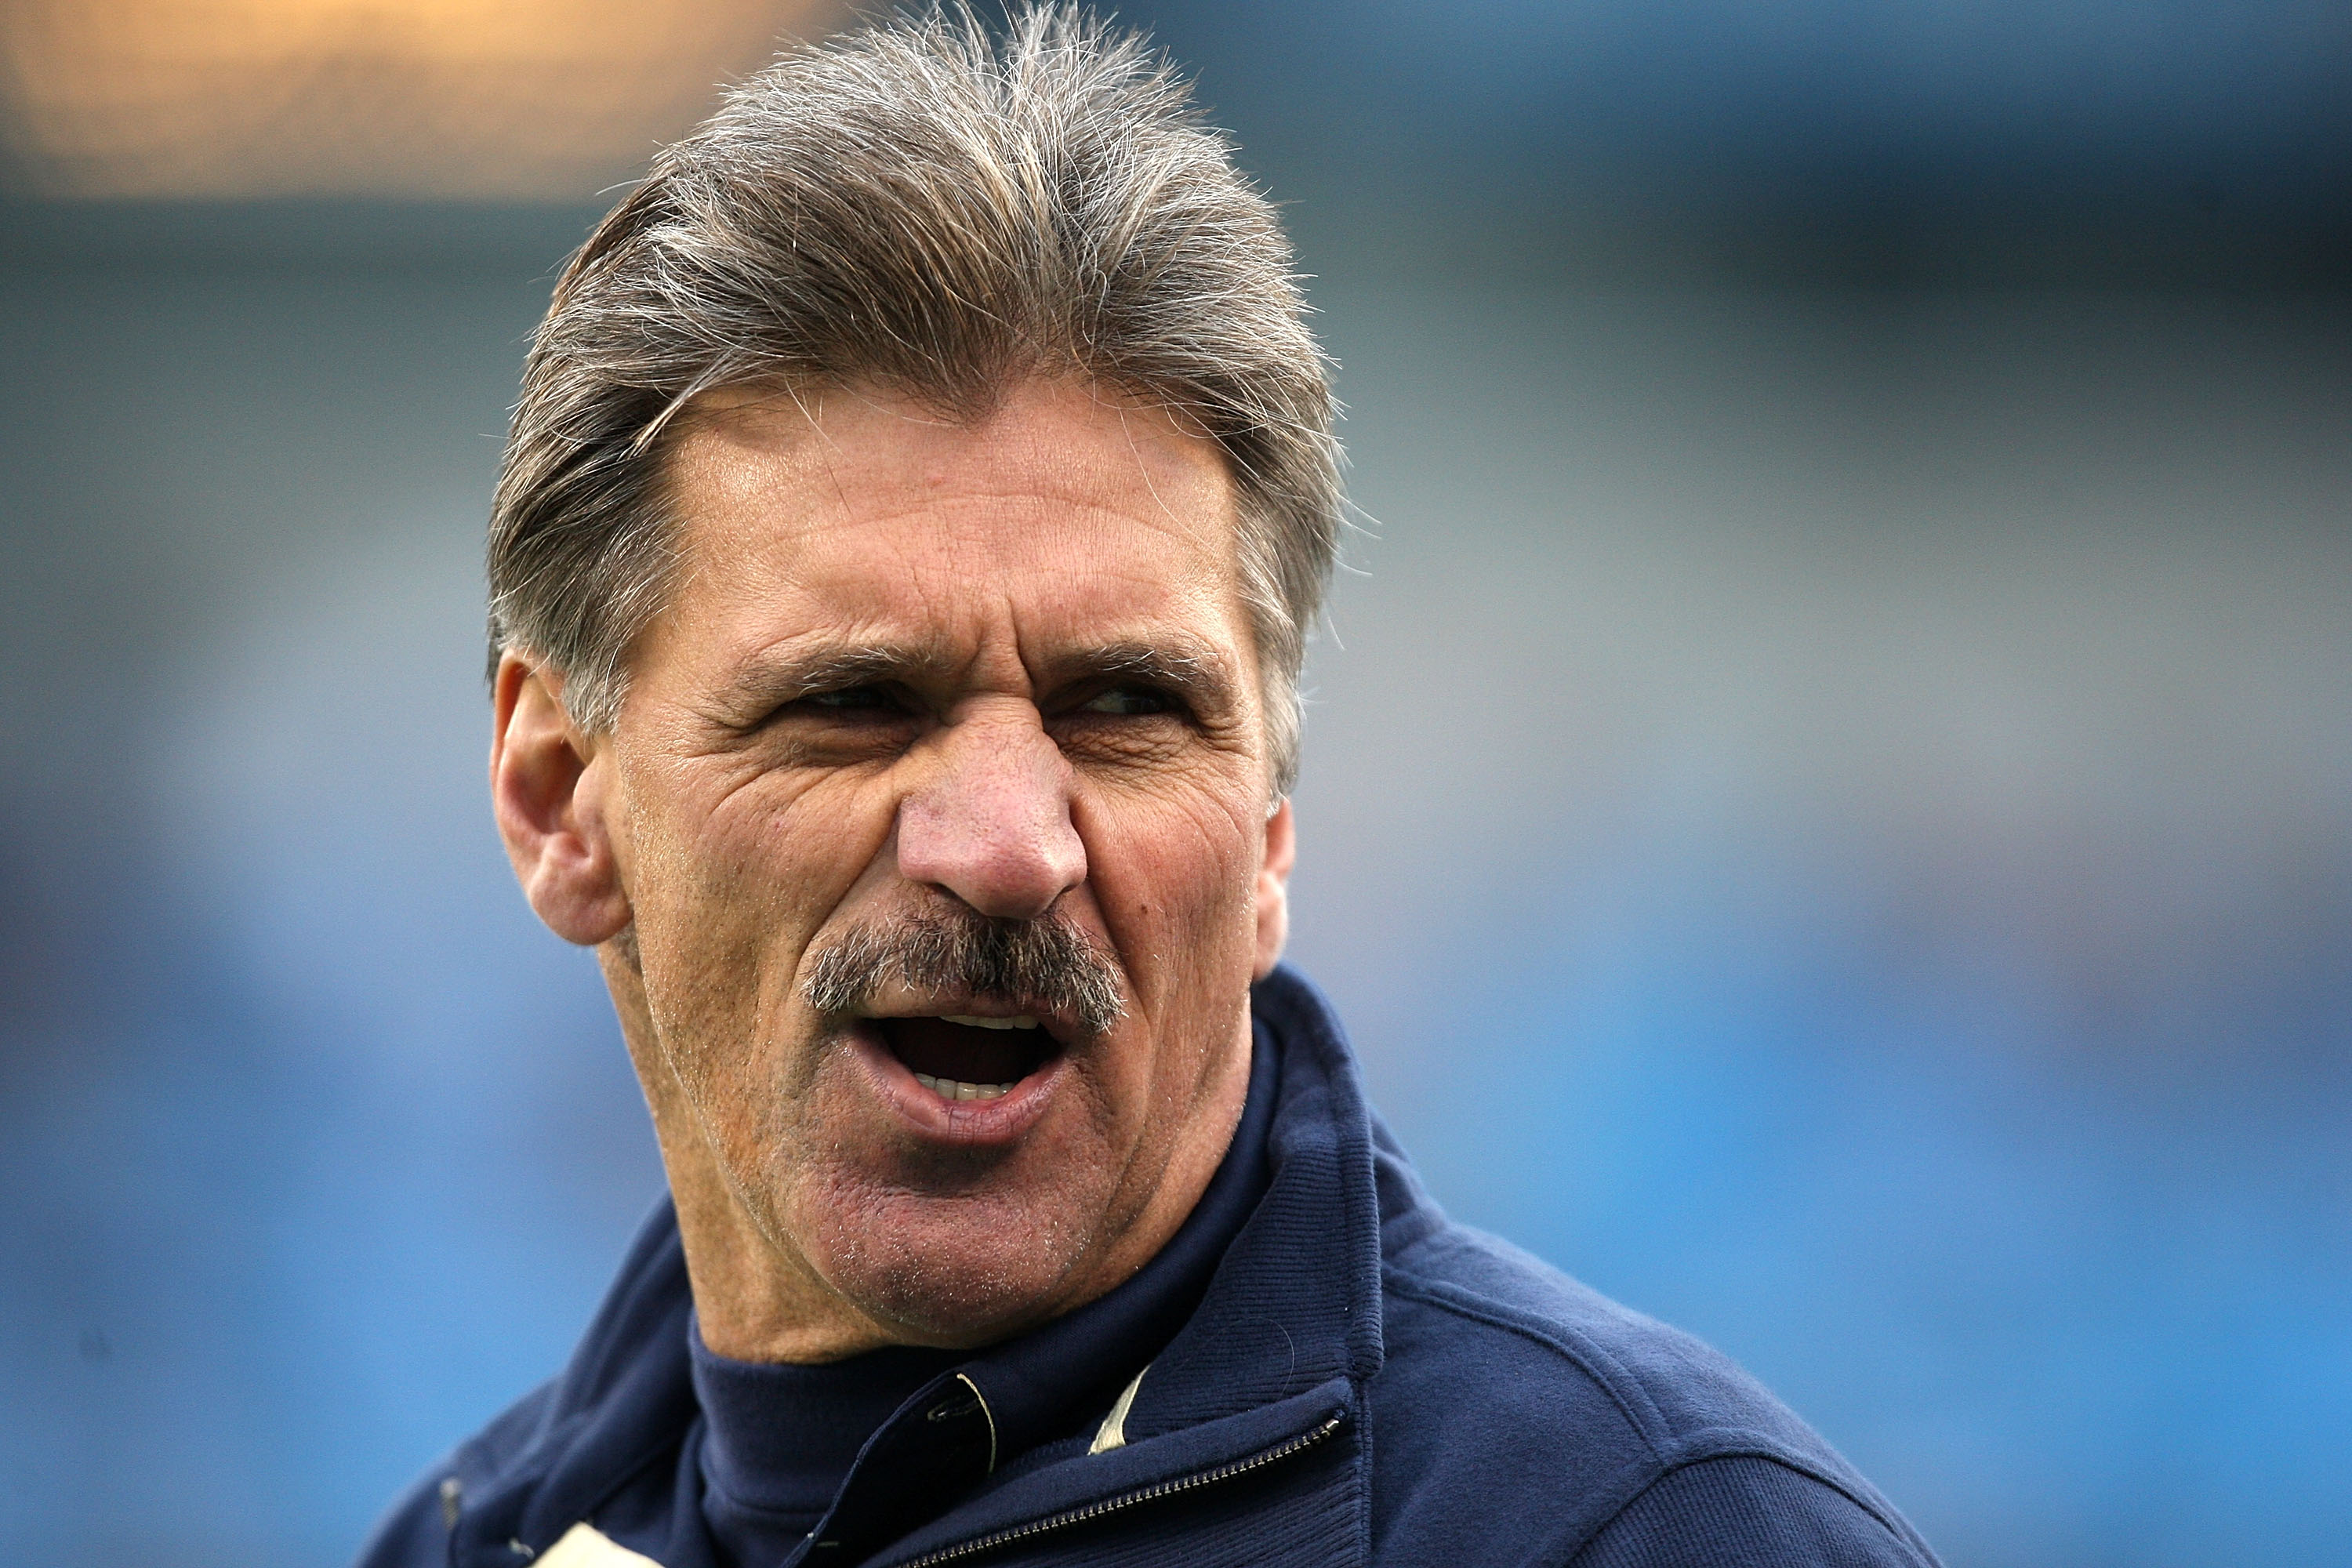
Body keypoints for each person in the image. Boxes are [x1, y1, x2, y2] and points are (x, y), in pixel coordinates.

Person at [359, 8, 1941, 1566]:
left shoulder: (1651, 1534)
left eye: (1126, 709)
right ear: (562, 797)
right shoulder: (458, 1545)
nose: (1007, 849)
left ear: (1267, 836)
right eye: (853, 704)